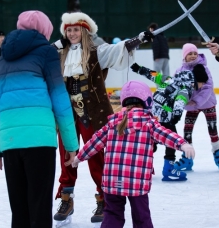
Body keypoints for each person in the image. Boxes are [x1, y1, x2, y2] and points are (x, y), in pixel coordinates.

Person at [52, 11, 153, 225]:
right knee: (67, 155)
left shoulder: (98, 52)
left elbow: (119, 49)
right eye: (68, 30)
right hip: (67, 114)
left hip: (93, 112)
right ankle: (66, 197)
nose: (72, 33)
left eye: (76, 29)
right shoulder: (59, 52)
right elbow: (40, 54)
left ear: (85, 31)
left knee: (97, 156)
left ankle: (103, 198)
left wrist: (139, 39)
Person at [0, 10, 79, 228]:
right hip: (40, 142)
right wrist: (71, 144)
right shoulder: (47, 53)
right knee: (39, 208)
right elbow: (59, 97)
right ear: (45, 31)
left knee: (19, 211)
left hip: (11, 143)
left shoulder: (2, 59)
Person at [71, 80, 195, 228]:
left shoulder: (113, 123)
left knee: (112, 214)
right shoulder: (148, 123)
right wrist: (182, 144)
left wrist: (79, 157)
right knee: (141, 217)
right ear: (147, 101)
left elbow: (94, 142)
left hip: (112, 181)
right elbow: (166, 135)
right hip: (137, 182)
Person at [131, 62, 203, 181]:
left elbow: (153, 74)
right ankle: (168, 169)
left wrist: (140, 69)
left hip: (152, 115)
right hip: (165, 119)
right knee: (171, 141)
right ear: (192, 82)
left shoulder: (168, 79)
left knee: (150, 140)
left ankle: (141, 167)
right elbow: (180, 101)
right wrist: (177, 115)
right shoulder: (186, 88)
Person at [173, 43, 219, 172]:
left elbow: (208, 87)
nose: (193, 56)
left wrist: (196, 102)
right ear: (184, 56)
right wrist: (186, 103)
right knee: (187, 131)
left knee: (213, 131)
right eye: (190, 54)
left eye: (195, 53)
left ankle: (218, 155)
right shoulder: (180, 70)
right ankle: (187, 158)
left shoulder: (203, 68)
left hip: (207, 103)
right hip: (192, 105)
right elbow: (177, 88)